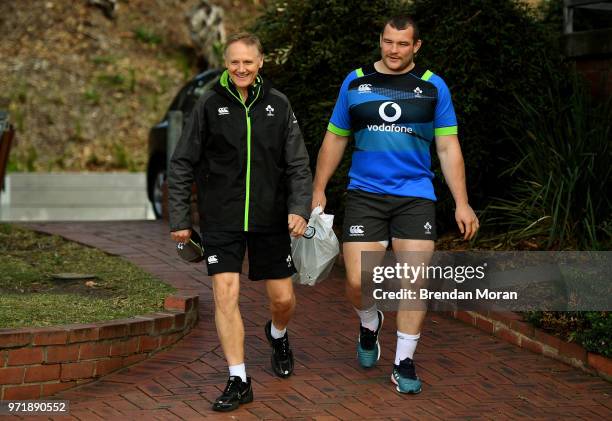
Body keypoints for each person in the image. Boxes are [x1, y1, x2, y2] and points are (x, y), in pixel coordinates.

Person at [312, 16, 479, 394]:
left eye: (402, 44)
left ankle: (403, 362)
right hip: (365, 194)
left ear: (416, 46)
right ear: (380, 41)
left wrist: (462, 203)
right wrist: (319, 188)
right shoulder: (355, 82)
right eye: (388, 42)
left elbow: (448, 146)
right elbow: (335, 138)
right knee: (357, 280)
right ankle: (370, 323)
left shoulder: (433, 87)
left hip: (415, 195)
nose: (393, 50)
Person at [168, 32, 312, 412]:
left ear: (261, 62)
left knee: (283, 299)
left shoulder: (278, 105)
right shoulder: (209, 104)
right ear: (226, 63)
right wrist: (181, 217)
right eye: (234, 62)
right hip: (222, 218)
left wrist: (299, 207)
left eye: (248, 61)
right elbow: (182, 162)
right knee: (225, 296)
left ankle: (277, 333)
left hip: (270, 217)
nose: (241, 68)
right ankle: (238, 378)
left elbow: (297, 164)